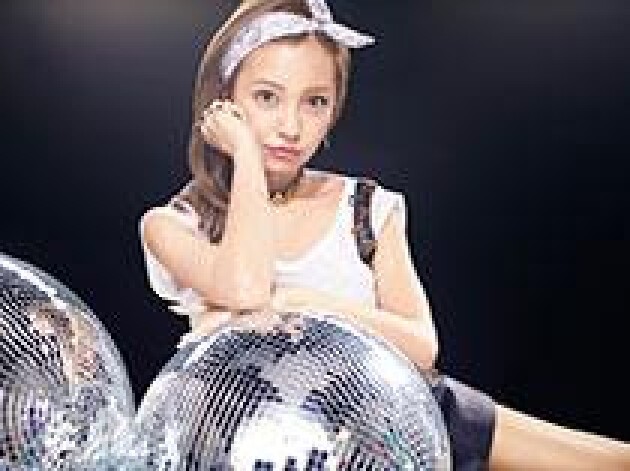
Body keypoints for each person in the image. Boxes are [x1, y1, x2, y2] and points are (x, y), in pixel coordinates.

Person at [139, 0, 630, 469]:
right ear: (223, 101)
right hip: (262, 449)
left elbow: (422, 345)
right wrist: (245, 153)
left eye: (315, 102)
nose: (291, 126)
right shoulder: (173, 225)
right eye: (267, 97)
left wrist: (300, 302)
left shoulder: (366, 207)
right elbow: (245, 288)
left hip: (405, 428)